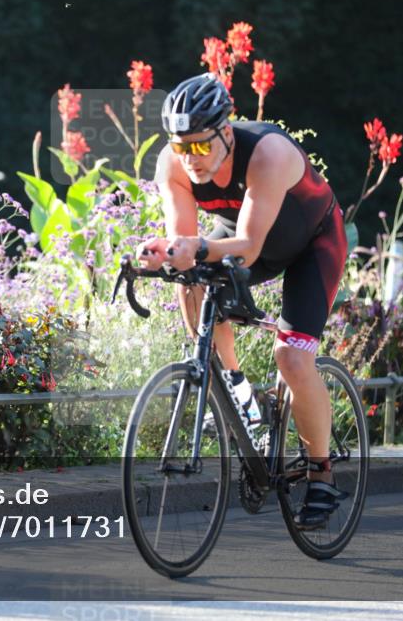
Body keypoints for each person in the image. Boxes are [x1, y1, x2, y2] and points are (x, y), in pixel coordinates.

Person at [135, 73, 348, 530]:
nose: (189, 158)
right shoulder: (173, 165)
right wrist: (163, 253)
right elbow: (185, 242)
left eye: (199, 146)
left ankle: (321, 473)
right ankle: (238, 390)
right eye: (180, 146)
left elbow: (249, 246)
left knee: (292, 358)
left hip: (311, 244)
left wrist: (192, 247)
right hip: (242, 240)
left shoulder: (267, 154)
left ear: (226, 133)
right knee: (189, 278)